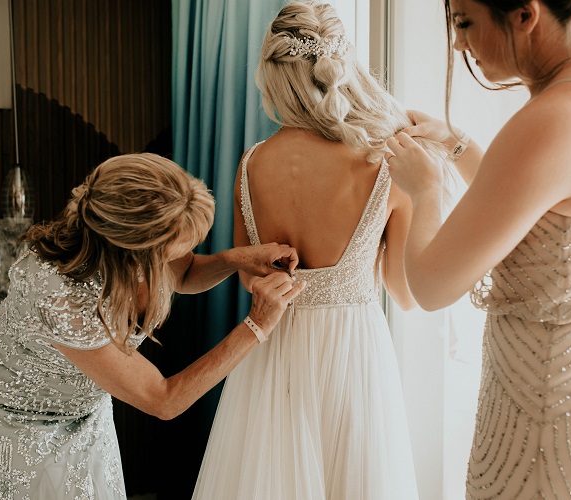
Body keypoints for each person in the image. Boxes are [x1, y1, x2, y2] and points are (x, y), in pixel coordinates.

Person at [192, 2, 459, 499]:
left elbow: (251, 277)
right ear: (345, 68)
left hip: (273, 355)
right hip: (353, 356)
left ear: (272, 75)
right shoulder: (383, 163)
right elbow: (404, 293)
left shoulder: (252, 164)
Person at [385, 0, 571, 498]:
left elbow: (430, 286)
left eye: (465, 22)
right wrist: (456, 144)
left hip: (546, 425)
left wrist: (424, 189)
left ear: (524, 15)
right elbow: (529, 221)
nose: (458, 43)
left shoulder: (556, 115)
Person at [0, 152, 306, 499]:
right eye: (174, 249)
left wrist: (235, 259)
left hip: (85, 402)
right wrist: (256, 325)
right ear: (136, 249)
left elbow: (184, 273)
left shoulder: (131, 247)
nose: (185, 252)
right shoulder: (61, 297)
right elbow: (164, 400)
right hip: (24, 414)